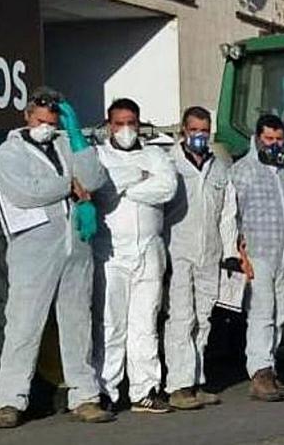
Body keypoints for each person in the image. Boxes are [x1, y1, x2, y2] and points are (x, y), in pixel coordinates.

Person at [0, 88, 114, 428]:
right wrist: (67, 185)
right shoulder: (9, 152)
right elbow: (26, 192)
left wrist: (76, 138)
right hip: (34, 249)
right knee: (24, 323)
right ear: (27, 116)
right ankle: (10, 399)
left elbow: (94, 179)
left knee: (77, 323)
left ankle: (85, 396)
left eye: (53, 121)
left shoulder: (65, 144)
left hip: (76, 245)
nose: (46, 126)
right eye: (41, 120)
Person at [92, 98, 179, 413]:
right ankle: (106, 391)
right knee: (110, 323)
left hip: (150, 249)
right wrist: (139, 176)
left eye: (131, 122)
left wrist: (125, 185)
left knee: (145, 323)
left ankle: (145, 389)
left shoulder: (155, 155)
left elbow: (167, 189)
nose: (126, 129)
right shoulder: (99, 156)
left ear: (139, 124)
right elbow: (102, 188)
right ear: (109, 125)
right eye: (119, 123)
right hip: (111, 250)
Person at [162, 106, 236, 410]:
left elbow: (227, 213)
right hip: (178, 251)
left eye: (204, 130)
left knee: (203, 319)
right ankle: (178, 385)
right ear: (183, 130)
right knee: (181, 318)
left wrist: (230, 251)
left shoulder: (218, 167)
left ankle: (196, 379)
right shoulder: (170, 163)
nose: (200, 135)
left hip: (210, 253)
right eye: (194, 130)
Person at [225, 114, 284, 402]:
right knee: (261, 313)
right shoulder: (243, 170)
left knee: (279, 314)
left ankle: (271, 366)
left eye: (279, 139)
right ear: (257, 139)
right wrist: (239, 252)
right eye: (269, 139)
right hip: (257, 253)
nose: (275, 144)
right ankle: (259, 372)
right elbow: (232, 213)